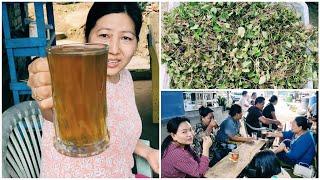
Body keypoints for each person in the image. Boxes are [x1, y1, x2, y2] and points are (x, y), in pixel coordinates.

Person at [27, 2, 158, 178]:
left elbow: (121, 131)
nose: (113, 50)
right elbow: (54, 112)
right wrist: (47, 91)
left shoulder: (125, 78)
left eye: (126, 38)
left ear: (136, 43)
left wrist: (148, 151)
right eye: (104, 35)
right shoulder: (75, 77)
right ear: (87, 38)